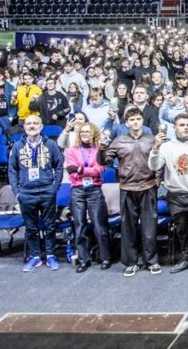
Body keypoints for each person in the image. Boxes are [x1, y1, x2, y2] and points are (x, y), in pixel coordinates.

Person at [147, 114, 188, 277]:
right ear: (174, 128)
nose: (185, 128)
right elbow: (154, 166)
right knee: (181, 231)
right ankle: (185, 259)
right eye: (182, 125)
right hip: (175, 196)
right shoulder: (166, 147)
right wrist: (155, 148)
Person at [104, 106, 161, 276]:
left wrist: (158, 176)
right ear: (127, 123)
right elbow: (104, 160)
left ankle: (151, 261)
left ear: (142, 121)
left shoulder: (152, 139)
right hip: (127, 188)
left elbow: (161, 160)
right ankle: (131, 262)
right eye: (132, 120)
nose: (135, 122)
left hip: (148, 186)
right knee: (127, 227)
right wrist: (101, 149)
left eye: (138, 119)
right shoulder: (119, 140)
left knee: (149, 227)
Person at [7, 114, 64, 272]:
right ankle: (35, 257)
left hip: (47, 191)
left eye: (35, 123)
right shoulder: (17, 146)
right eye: (29, 124)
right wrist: (17, 192)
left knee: (50, 226)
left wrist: (55, 188)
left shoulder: (50, 144)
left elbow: (59, 166)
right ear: (24, 127)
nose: (32, 126)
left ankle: (51, 256)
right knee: (31, 227)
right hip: (26, 193)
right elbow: (12, 170)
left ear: (41, 126)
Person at [64, 121, 111, 272]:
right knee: (80, 226)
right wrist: (89, 170)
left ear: (93, 134)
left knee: (99, 225)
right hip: (77, 190)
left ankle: (105, 257)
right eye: (82, 132)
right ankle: (83, 260)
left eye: (88, 132)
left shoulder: (100, 150)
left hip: (94, 190)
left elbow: (100, 169)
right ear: (79, 134)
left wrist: (80, 169)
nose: (85, 134)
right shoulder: (71, 150)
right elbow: (70, 170)